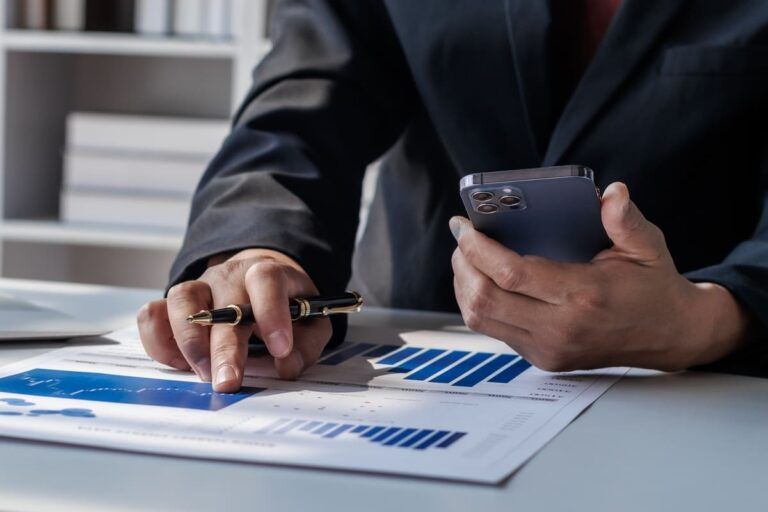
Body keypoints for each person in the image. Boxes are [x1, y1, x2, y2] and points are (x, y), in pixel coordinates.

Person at [137, 0, 768, 392]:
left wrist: (706, 318)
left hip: (714, 383)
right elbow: (305, 101)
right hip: (420, 353)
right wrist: (259, 248)